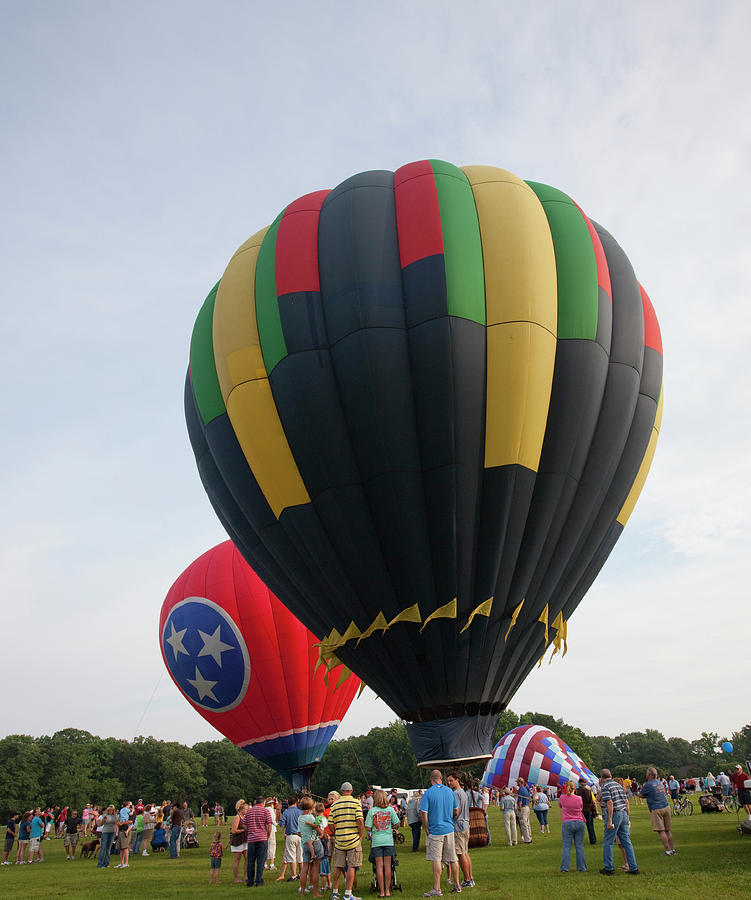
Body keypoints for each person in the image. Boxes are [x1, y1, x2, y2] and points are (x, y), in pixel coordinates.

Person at [419, 769, 462, 896]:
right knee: (453, 859)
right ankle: (457, 885)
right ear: (441, 779)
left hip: (435, 830)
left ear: (431, 779)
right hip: (449, 828)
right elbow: (456, 810)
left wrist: (426, 828)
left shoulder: (428, 793)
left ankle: (437, 888)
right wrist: (449, 818)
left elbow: (423, 813)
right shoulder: (450, 791)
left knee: (436, 859)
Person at [598, 769, 638, 876]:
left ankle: (609, 868)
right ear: (610, 775)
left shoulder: (605, 787)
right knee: (626, 841)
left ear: (602, 778)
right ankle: (633, 867)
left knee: (608, 841)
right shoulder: (619, 785)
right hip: (623, 813)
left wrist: (610, 820)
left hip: (614, 814)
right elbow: (626, 801)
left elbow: (610, 803)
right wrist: (627, 817)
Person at [330, 780, 364, 900]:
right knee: (351, 866)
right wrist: (360, 834)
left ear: (341, 791)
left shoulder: (334, 804)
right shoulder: (356, 803)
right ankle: (348, 893)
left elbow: (330, 823)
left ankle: (334, 892)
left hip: (340, 840)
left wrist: (336, 833)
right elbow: (360, 821)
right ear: (351, 791)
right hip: (353, 839)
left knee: (337, 866)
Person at [365, 789, 399, 899]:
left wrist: (371, 831)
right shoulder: (390, 810)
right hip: (388, 840)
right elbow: (397, 823)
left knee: (379, 866)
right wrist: (392, 827)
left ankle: (381, 891)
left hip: (376, 841)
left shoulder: (372, 811)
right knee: (388, 866)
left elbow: (368, 827)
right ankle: (388, 890)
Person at [447, 772, 474, 889]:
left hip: (458, 826)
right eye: (448, 781)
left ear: (457, 780)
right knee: (465, 852)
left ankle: (467, 879)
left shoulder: (456, 793)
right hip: (465, 824)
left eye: (451, 780)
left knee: (461, 854)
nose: (449, 783)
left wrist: (449, 817)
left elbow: (455, 811)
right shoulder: (463, 792)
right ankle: (470, 877)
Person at [641, 767, 675, 855]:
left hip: (656, 808)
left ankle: (667, 851)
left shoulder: (648, 784)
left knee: (661, 830)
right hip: (666, 806)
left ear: (649, 775)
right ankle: (672, 849)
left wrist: (647, 796)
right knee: (668, 830)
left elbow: (641, 795)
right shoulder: (660, 782)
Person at [298, 796, 324, 898]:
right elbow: (318, 831)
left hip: (305, 844)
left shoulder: (300, 818)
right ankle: (315, 893)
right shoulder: (311, 818)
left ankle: (302, 893)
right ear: (311, 806)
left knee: (304, 869)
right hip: (315, 843)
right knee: (315, 869)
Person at [558, 781, 587, 872]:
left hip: (567, 822)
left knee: (567, 847)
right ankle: (582, 867)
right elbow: (581, 807)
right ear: (575, 788)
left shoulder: (562, 798)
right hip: (579, 821)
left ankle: (565, 868)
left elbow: (560, 806)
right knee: (579, 846)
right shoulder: (579, 798)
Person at [244, 795, 272, 887]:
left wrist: (249, 830)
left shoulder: (249, 811)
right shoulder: (265, 811)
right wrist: (267, 834)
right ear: (263, 803)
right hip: (262, 838)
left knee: (251, 861)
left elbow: (244, 824)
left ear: (256, 802)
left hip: (251, 839)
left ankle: (250, 881)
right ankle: (259, 880)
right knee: (261, 860)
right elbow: (269, 824)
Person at [276, 796, 302, 882]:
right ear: (296, 802)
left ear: (288, 803)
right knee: (300, 856)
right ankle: (302, 873)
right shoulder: (300, 812)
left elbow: (282, 824)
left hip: (290, 835)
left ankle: (294, 875)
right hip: (300, 835)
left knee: (292, 856)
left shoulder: (286, 812)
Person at [230, 800, 248, 883]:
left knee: (247, 858)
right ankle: (236, 878)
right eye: (246, 809)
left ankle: (246, 876)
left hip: (245, 840)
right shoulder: (237, 817)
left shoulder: (246, 817)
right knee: (237, 859)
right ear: (241, 809)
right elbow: (234, 831)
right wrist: (243, 830)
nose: (247, 811)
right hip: (237, 841)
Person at [576, 779, 597, 845]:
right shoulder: (588, 791)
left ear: (579, 784)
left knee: (579, 827)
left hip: (580, 811)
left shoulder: (576, 791)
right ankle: (593, 840)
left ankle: (579, 841)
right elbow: (592, 801)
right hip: (588, 810)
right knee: (590, 826)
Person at [516, 778, 532, 844]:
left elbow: (520, 800)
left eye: (517, 782)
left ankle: (527, 839)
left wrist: (519, 808)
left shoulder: (520, 789)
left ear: (520, 782)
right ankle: (530, 838)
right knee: (527, 824)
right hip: (527, 807)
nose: (517, 783)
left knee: (523, 823)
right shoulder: (526, 789)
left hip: (523, 808)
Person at [264, 798, 278, 871]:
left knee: (265, 846)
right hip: (271, 828)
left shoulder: (264, 809)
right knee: (272, 846)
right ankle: (272, 864)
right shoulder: (270, 809)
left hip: (264, 829)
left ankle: (265, 864)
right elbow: (272, 820)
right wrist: (276, 824)